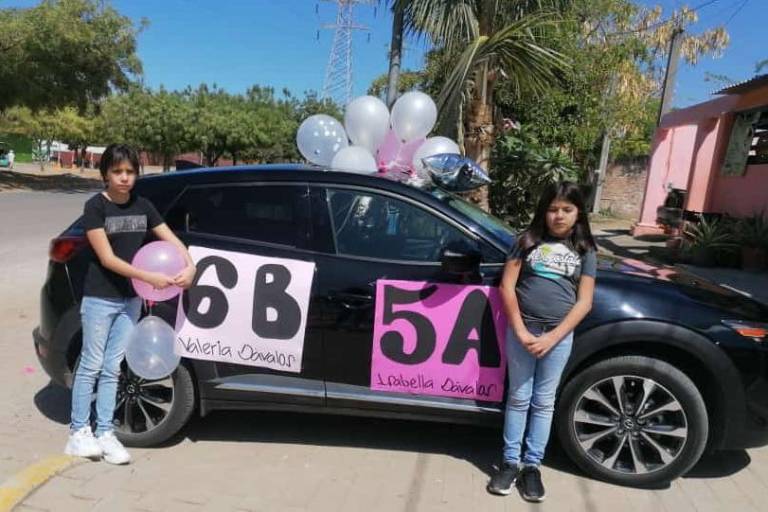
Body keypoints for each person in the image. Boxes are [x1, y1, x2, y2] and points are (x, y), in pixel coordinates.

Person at [65, 143, 196, 464]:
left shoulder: (144, 205)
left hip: (130, 300)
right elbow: (107, 259)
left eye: (130, 172)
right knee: (92, 365)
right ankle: (78, 432)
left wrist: (190, 264)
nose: (124, 178)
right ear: (105, 174)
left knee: (113, 367)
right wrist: (148, 276)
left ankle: (105, 432)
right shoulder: (95, 207)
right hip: (100, 298)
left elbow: (172, 241)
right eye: (117, 172)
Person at [488, 181, 597, 502]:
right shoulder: (525, 241)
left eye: (567, 209)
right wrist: (521, 331)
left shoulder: (586, 250)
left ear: (578, 213)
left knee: (543, 401)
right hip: (522, 330)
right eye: (552, 209)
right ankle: (509, 463)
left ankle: (532, 467)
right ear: (543, 211)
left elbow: (584, 302)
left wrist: (552, 337)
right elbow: (507, 288)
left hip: (558, 337)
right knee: (519, 397)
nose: (559, 216)